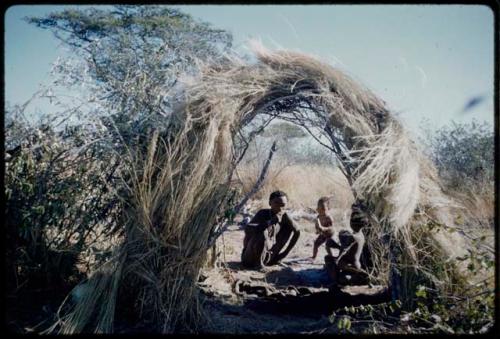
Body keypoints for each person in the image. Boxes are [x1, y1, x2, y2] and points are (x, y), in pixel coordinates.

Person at [241, 190, 300, 269]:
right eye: (276, 203)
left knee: (289, 227)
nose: (280, 208)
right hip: (249, 257)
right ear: (270, 203)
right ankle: (259, 264)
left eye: (283, 205)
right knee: (263, 232)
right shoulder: (263, 213)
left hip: (268, 257)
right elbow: (247, 230)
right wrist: (269, 223)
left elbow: (297, 231)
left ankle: (267, 260)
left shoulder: (285, 218)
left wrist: (285, 253)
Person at [324, 200, 370, 286]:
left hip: (352, 265)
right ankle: (359, 275)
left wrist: (337, 246)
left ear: (351, 224)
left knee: (330, 261)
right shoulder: (361, 235)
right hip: (354, 264)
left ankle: (336, 282)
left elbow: (344, 250)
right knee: (340, 268)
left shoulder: (353, 237)